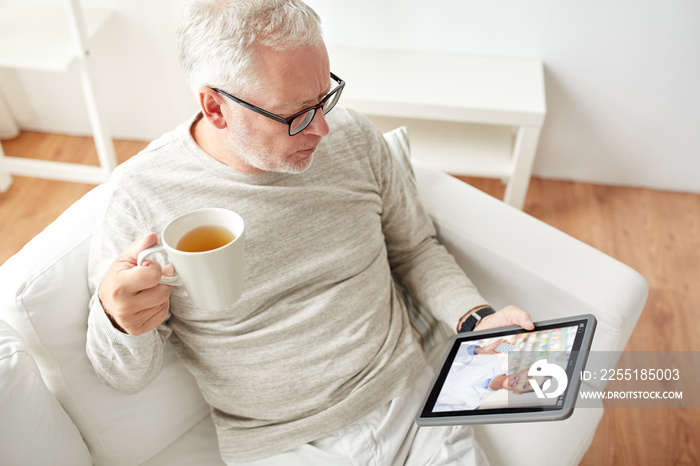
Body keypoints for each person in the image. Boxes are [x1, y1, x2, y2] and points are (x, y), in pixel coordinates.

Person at [86, 1, 534, 464]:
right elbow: (123, 377)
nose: (322, 127)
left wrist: (476, 319)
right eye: (297, 113)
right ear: (215, 107)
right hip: (282, 445)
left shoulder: (352, 137)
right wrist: (118, 320)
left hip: (409, 402)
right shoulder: (141, 197)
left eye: (324, 97)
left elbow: (415, 249)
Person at [434, 340, 549, 412]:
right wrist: (481, 350)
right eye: (528, 375)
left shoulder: (474, 404)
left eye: (525, 386)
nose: (520, 380)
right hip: (429, 370)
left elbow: (434, 410)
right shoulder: (490, 360)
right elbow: (451, 352)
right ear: (525, 369)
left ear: (518, 393)